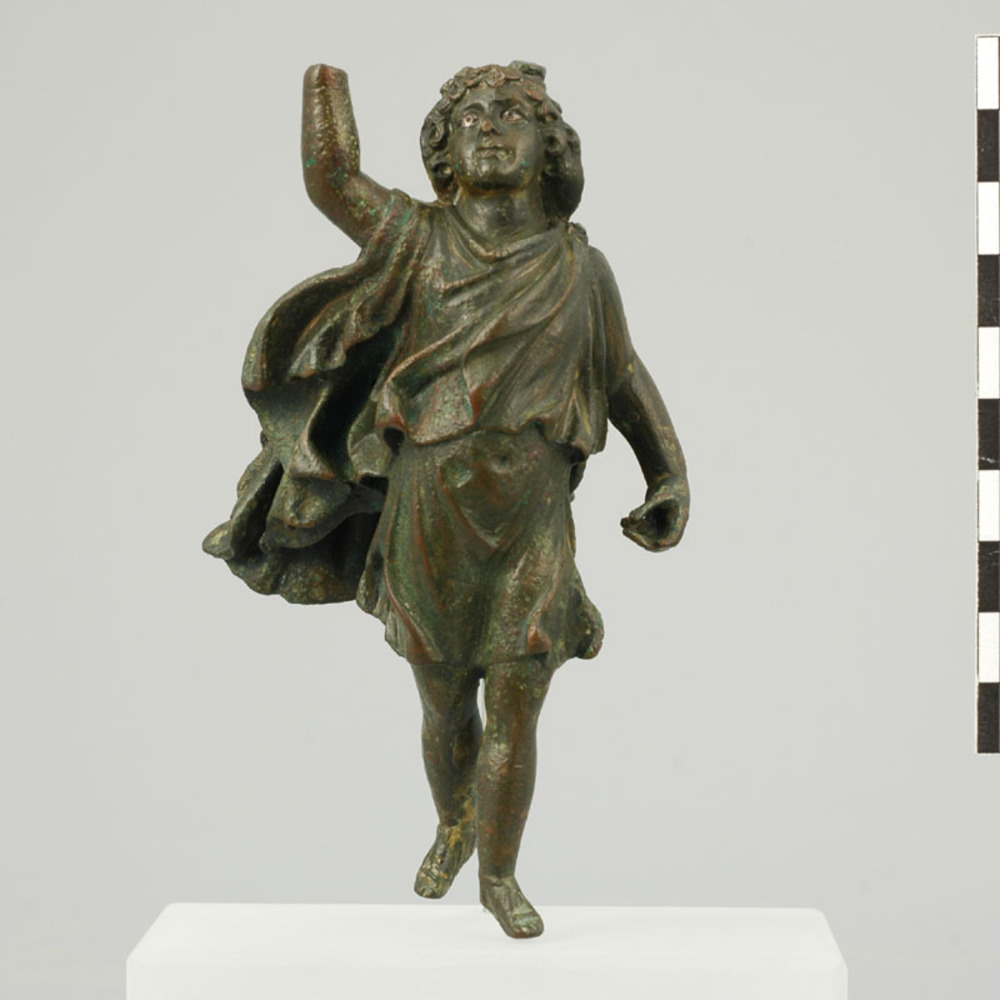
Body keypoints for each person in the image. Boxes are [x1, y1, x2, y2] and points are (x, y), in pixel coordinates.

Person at [204, 61, 689, 939]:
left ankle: (499, 876)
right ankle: (454, 819)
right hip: (430, 509)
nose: (490, 126)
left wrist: (668, 471)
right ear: (442, 151)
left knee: (517, 699)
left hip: (533, 515)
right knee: (442, 700)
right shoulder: (418, 241)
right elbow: (332, 179)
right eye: (469, 117)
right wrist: (324, 84)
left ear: (551, 147)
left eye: (512, 114)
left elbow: (621, 374)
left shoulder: (582, 267)